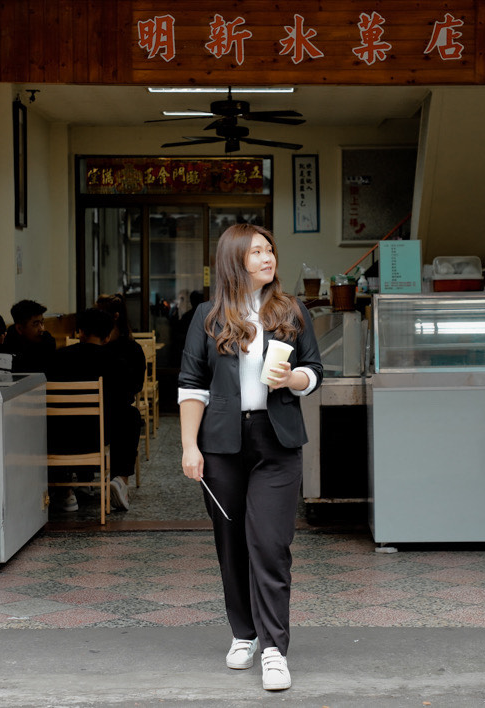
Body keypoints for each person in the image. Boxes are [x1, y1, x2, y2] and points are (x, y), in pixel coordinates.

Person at [178, 224, 322, 692]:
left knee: (270, 544)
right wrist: (188, 446)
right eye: (256, 251)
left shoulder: (292, 310)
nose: (267, 257)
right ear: (234, 260)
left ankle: (275, 649)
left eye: (269, 250)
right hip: (221, 444)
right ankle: (244, 633)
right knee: (232, 542)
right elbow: (191, 386)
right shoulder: (208, 315)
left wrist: (293, 380)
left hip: (276, 441)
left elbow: (315, 371)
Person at [46, 307, 134, 513]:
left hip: (60, 436)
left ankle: (64, 491)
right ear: (107, 336)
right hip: (99, 434)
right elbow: (126, 399)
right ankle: (120, 479)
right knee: (130, 415)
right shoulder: (116, 362)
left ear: (80, 332)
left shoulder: (57, 358)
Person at [95, 292, 146, 490]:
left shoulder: (128, 350)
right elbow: (135, 387)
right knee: (128, 416)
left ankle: (119, 480)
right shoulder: (127, 350)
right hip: (107, 415)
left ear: (115, 316)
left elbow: (135, 386)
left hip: (107, 415)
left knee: (127, 416)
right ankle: (120, 479)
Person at [2, 299, 56, 373]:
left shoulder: (47, 341)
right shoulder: (9, 349)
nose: (42, 329)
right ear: (19, 328)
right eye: (36, 324)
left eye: (42, 322)